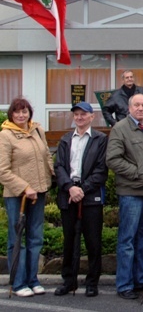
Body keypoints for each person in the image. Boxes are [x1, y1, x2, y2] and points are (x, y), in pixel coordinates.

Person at [106, 94, 143, 299]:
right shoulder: (120, 128)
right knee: (127, 240)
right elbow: (113, 159)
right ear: (129, 108)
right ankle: (124, 285)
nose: (140, 108)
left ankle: (142, 281)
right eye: (137, 105)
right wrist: (138, 173)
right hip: (131, 192)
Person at [0, 97, 54, 297]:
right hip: (17, 196)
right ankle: (19, 282)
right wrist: (24, 187)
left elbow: (46, 156)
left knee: (35, 238)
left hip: (38, 193)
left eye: (25, 111)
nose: (21, 115)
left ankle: (33, 280)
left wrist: (53, 177)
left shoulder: (37, 130)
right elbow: (2, 171)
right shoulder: (6, 135)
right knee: (17, 240)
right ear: (11, 114)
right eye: (17, 112)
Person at [53, 102, 107, 297]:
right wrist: (70, 187)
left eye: (83, 114)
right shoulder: (65, 139)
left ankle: (92, 283)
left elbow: (101, 169)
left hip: (90, 196)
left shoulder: (100, 139)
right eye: (76, 114)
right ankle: (69, 281)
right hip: (68, 194)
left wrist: (82, 189)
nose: (79, 117)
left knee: (93, 241)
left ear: (92, 117)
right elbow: (58, 166)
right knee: (69, 240)